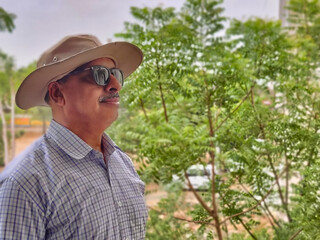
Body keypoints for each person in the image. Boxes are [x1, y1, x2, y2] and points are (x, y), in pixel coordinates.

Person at [0, 34, 148, 239]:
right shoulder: (25, 183)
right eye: (100, 74)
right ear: (57, 94)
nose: (116, 85)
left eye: (115, 74)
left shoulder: (122, 163)